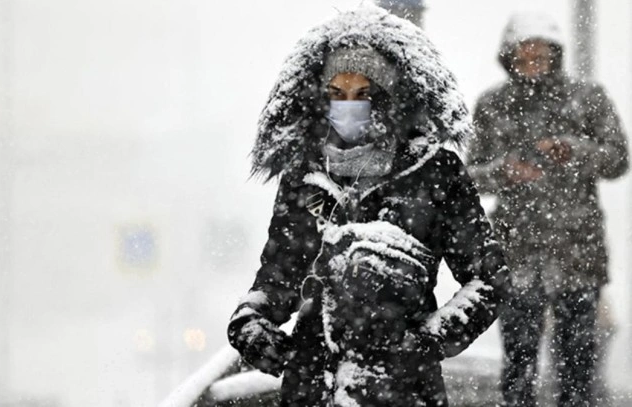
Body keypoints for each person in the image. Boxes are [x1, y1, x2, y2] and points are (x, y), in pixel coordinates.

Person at [227, 7, 509, 406]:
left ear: (390, 97)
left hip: (404, 388)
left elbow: (489, 279)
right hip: (312, 384)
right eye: (337, 94)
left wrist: (428, 341)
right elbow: (279, 275)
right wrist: (251, 322)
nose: (349, 106)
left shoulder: (434, 172)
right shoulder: (305, 177)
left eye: (364, 93)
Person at [466, 13, 629, 407]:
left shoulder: (588, 98)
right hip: (515, 249)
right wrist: (504, 171)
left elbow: (619, 159)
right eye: (524, 56)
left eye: (540, 55)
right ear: (509, 56)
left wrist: (575, 151)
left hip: (578, 250)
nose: (532, 63)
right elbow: (469, 175)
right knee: (518, 363)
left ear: (556, 55)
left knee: (577, 364)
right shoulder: (492, 103)